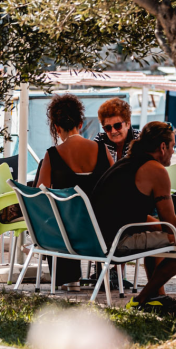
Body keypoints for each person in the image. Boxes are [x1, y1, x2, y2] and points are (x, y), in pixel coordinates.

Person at [92, 121, 176, 313]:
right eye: (172, 146)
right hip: (116, 242)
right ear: (162, 147)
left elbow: (134, 215)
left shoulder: (127, 163)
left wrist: (159, 226)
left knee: (156, 229)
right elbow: (171, 223)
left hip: (97, 238)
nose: (173, 151)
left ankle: (155, 298)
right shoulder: (156, 170)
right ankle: (142, 298)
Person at [34, 94, 114, 287]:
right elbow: (116, 187)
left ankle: (69, 280)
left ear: (56, 127)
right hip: (102, 231)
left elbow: (39, 197)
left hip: (68, 235)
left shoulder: (52, 155)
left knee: (57, 220)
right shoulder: (102, 150)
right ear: (80, 123)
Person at [96, 98, 139, 165]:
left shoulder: (140, 140)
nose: (113, 131)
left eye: (117, 126)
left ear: (128, 124)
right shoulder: (100, 140)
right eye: (108, 128)